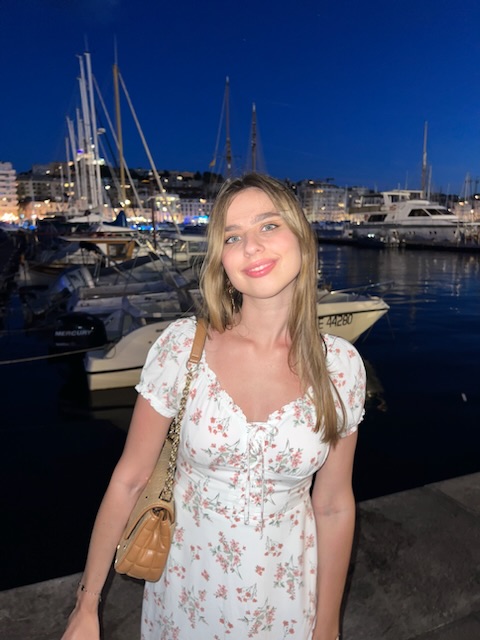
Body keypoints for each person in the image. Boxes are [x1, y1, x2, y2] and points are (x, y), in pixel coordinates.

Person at [61, 173, 366, 640]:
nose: (251, 247)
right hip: (187, 597)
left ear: (302, 239)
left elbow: (332, 506)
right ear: (221, 259)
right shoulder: (183, 347)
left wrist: (327, 623)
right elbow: (130, 479)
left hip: (287, 603)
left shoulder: (340, 367)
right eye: (232, 236)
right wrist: (87, 605)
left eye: (268, 226)